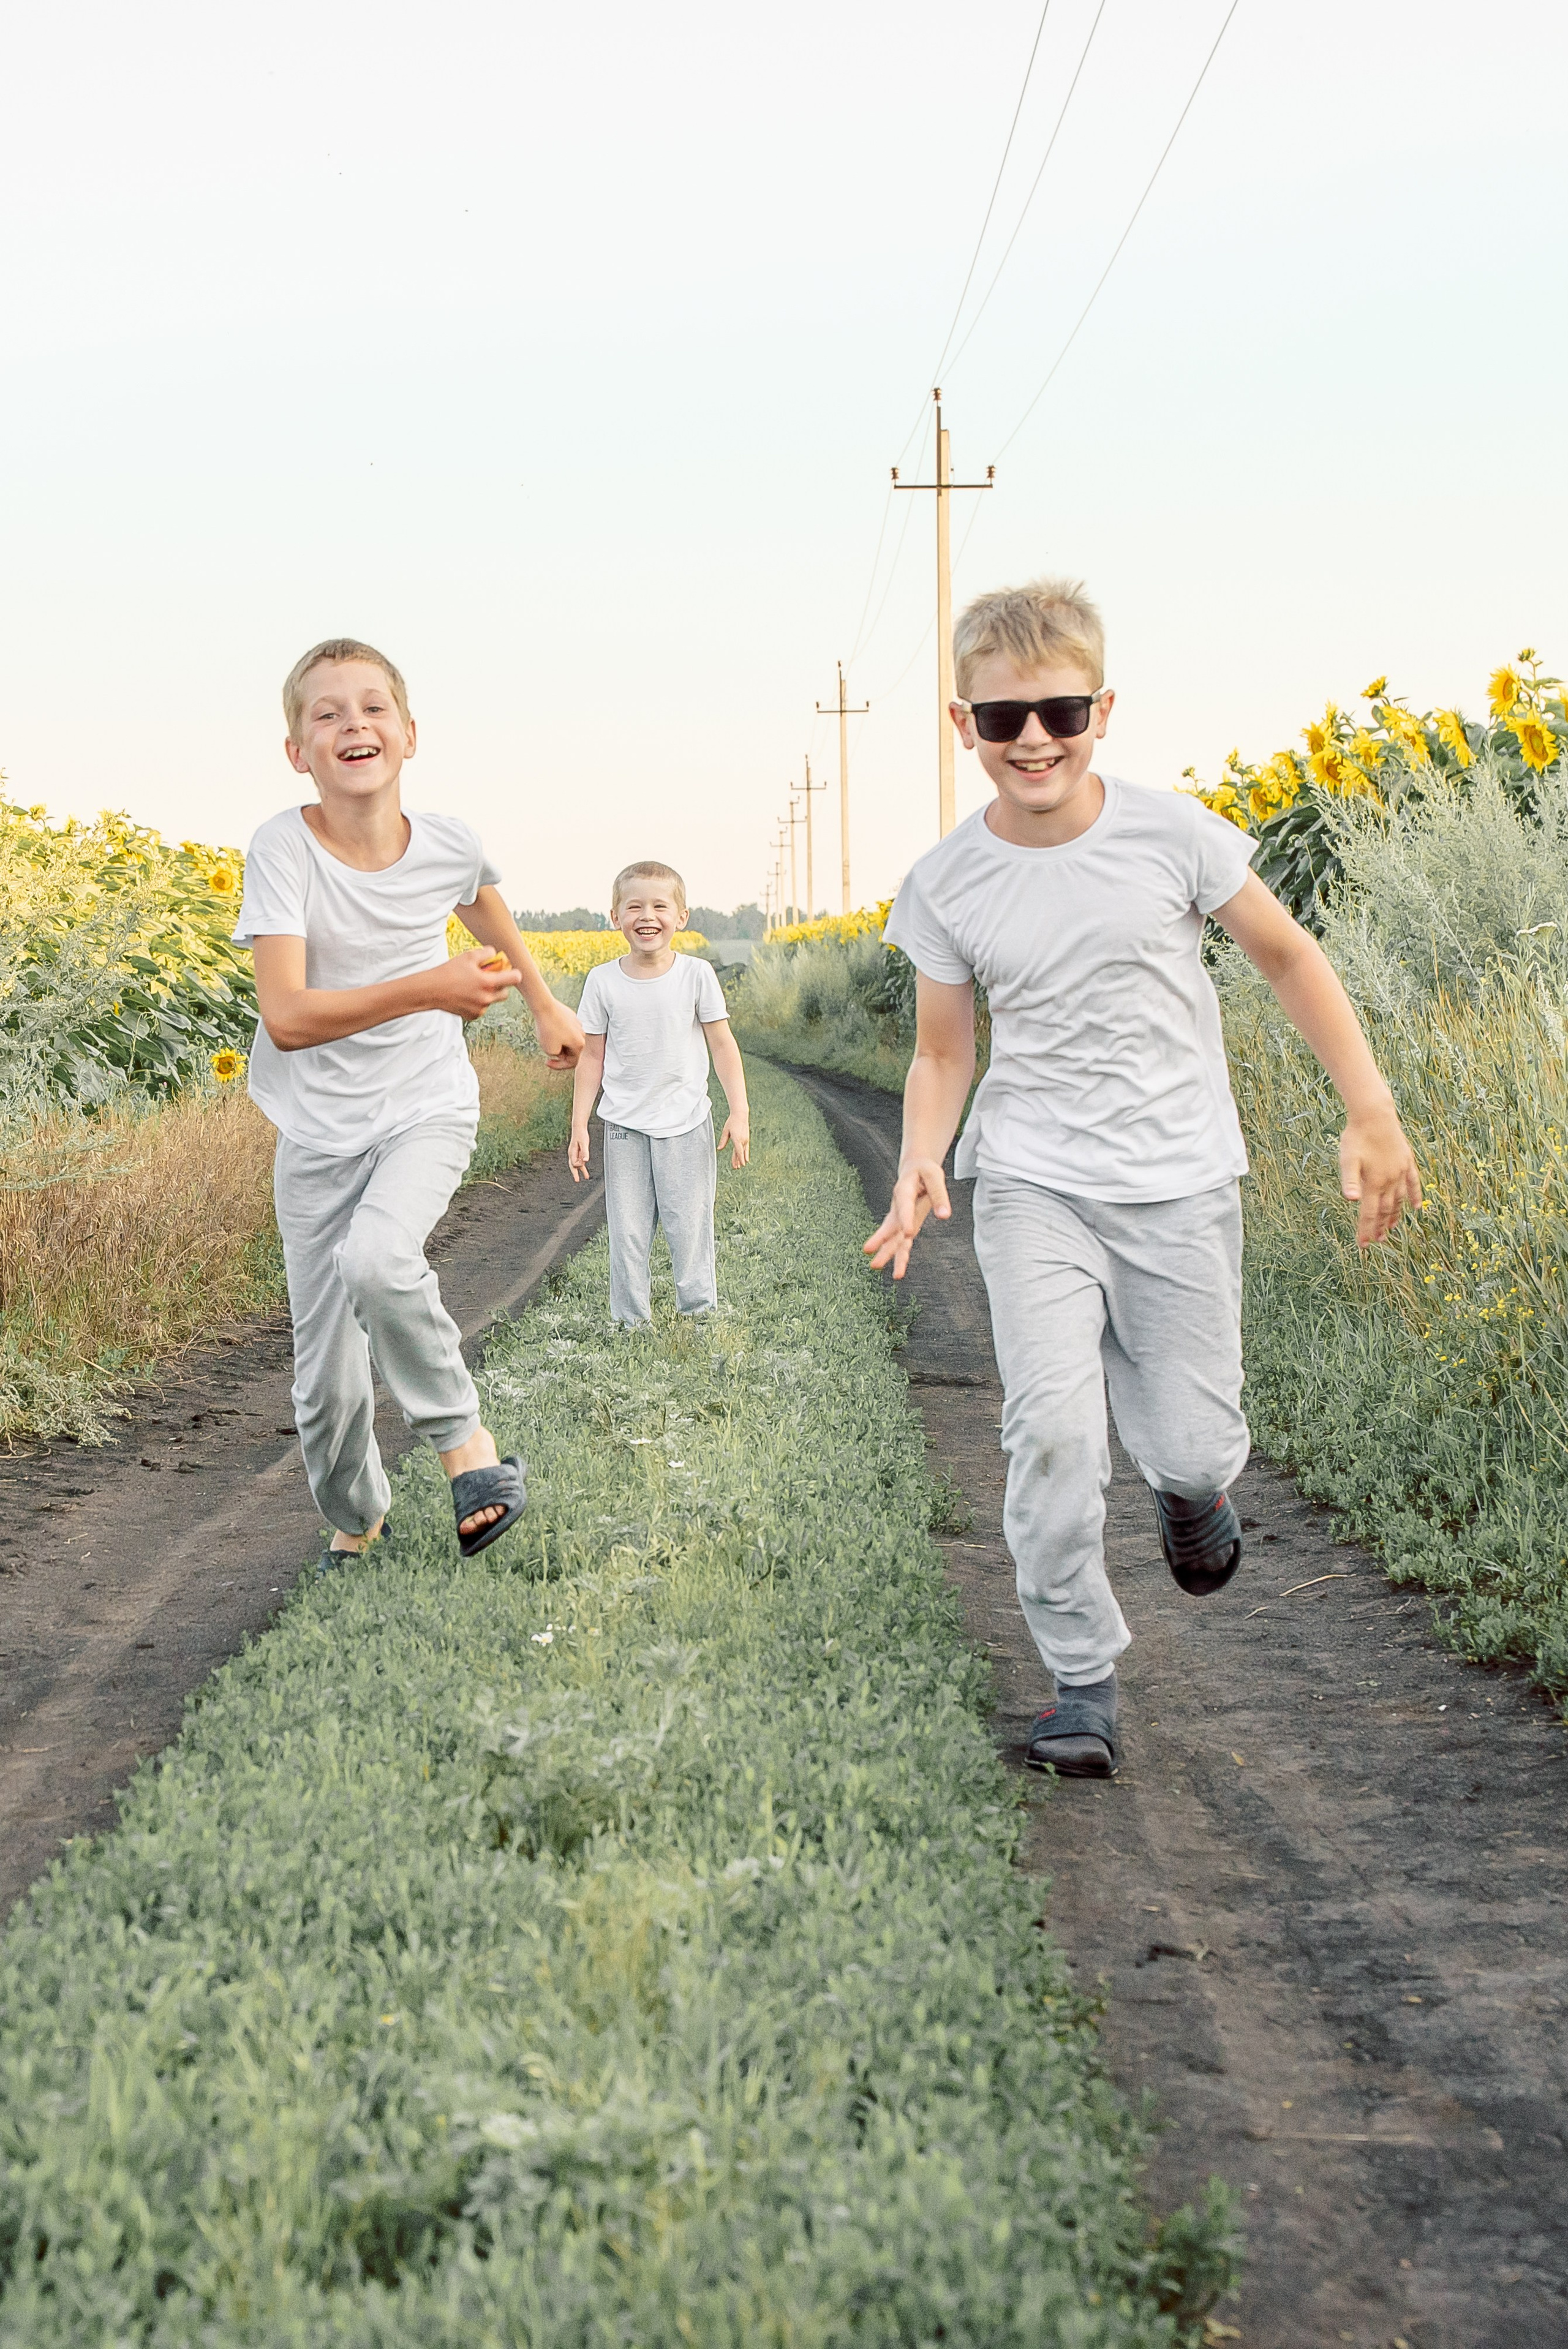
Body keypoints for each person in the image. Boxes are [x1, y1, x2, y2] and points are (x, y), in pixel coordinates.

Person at [865, 579, 1421, 1778]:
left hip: (1177, 1184)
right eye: (1001, 717)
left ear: (1101, 709)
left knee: (1190, 1440)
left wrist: (1367, 1109)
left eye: (1057, 711)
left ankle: (1187, 1489)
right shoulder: (947, 882)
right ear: (959, 724)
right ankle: (1078, 1674)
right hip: (1031, 1184)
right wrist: (920, 1152)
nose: (1031, 740)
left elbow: (1285, 953)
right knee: (1051, 1436)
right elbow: (942, 1047)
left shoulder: (1173, 837)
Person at [235, 635, 584, 1570]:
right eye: (327, 712)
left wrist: (543, 999)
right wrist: (429, 987)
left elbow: (481, 900)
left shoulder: (449, 842)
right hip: (316, 1132)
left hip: (424, 1105)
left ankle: (470, 1453)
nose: (354, 722)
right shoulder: (283, 848)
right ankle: (359, 1516)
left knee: (382, 1257)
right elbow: (288, 1015)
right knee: (325, 1388)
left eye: (373, 705)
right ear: (297, 750)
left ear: (410, 734)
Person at [568, 862, 750, 1325]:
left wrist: (739, 1111)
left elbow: (723, 1044)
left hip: (686, 1122)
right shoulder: (602, 981)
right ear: (615, 917)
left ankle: (700, 1315)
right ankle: (631, 1323)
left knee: (689, 1225)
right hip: (625, 1125)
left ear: (681, 916)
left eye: (659, 906)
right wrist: (579, 1126)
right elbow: (591, 1057)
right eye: (634, 906)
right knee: (627, 1232)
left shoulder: (696, 975)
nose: (647, 916)